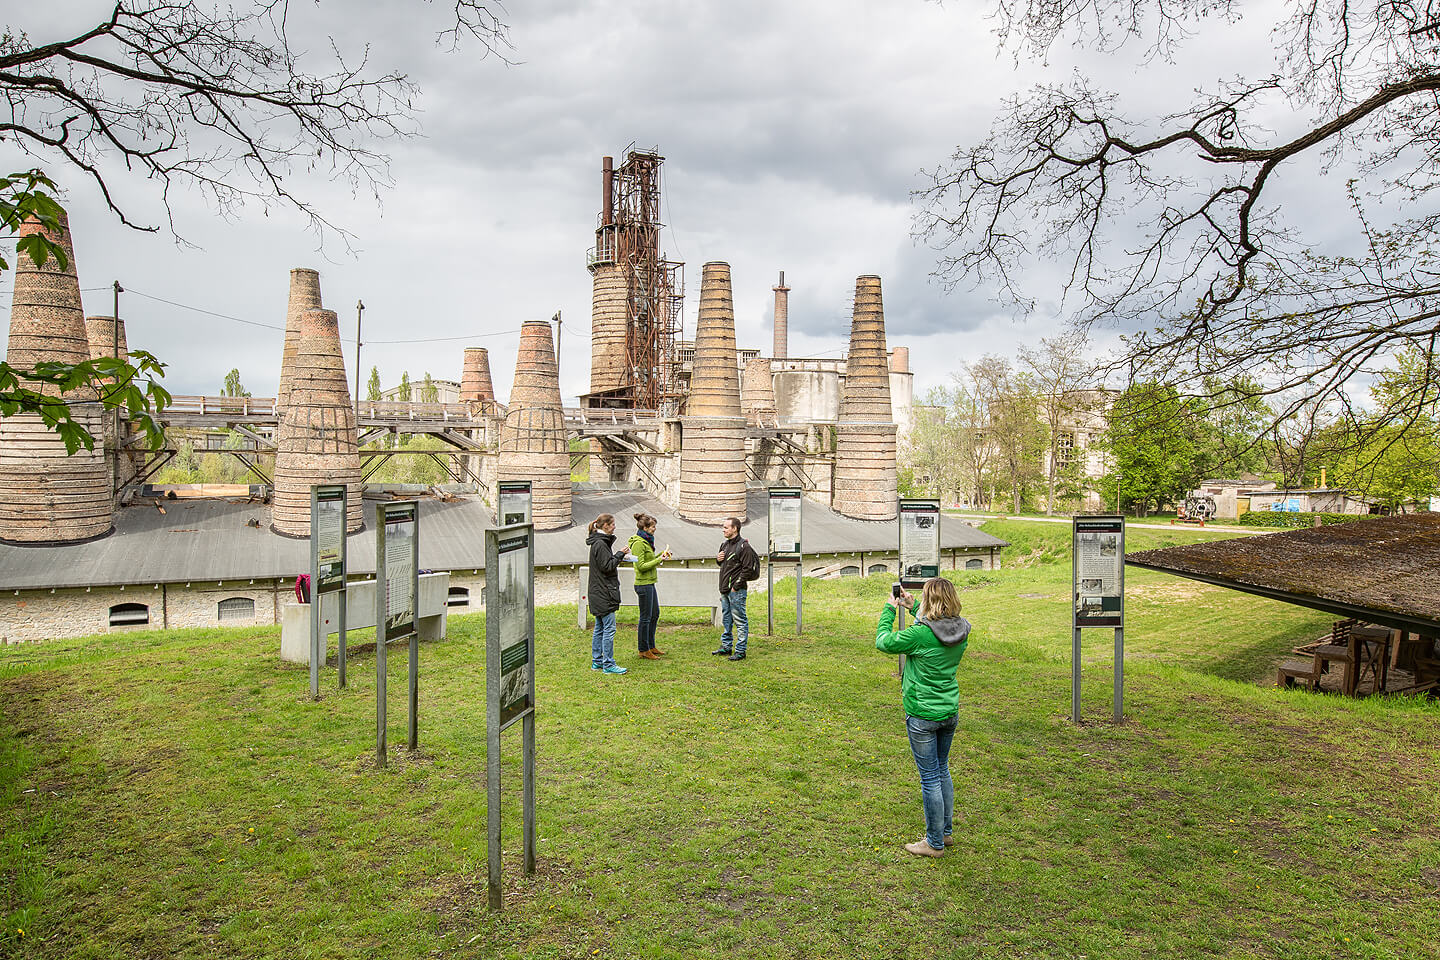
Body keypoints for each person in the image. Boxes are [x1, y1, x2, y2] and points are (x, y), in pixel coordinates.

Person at [875, 577, 971, 857]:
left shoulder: (920, 634)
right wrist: (912, 604)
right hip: (948, 710)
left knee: (929, 778)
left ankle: (934, 842)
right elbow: (938, 622)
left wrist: (890, 610)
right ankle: (946, 832)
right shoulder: (962, 629)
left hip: (922, 714)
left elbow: (884, 642)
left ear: (931, 602)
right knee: (943, 770)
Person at [586, 513, 634, 675]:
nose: (614, 527)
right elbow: (607, 566)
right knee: (609, 629)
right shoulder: (600, 544)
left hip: (598, 592)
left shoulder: (598, 543)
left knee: (599, 627)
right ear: (605, 526)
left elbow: (605, 564)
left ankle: (597, 661)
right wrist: (620, 554)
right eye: (612, 524)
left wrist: (618, 556)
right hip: (604, 593)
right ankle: (608, 664)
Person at [712, 516, 759, 661]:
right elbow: (725, 566)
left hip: (736, 591)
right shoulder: (724, 545)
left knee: (740, 620)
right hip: (725, 589)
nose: (723, 530)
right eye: (723, 527)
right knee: (727, 619)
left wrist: (736, 587)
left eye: (726, 527)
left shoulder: (744, 547)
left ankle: (740, 651)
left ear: (735, 529)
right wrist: (718, 560)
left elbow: (748, 569)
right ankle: (726, 647)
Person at [627, 512, 673, 660]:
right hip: (643, 584)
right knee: (645, 618)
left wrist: (661, 554)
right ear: (645, 527)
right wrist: (659, 559)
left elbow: (649, 559)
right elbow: (640, 566)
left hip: (650, 583)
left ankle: (651, 645)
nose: (654, 529)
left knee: (654, 614)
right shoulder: (639, 543)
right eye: (652, 526)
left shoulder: (647, 541)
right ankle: (643, 649)